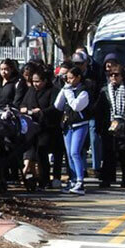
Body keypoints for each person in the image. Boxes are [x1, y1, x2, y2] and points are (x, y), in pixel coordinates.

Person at [99, 67, 125, 188]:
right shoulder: (105, 90)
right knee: (108, 153)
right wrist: (100, 126)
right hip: (109, 125)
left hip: (124, 125)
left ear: (122, 76)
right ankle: (107, 178)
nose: (113, 77)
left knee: (124, 154)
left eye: (116, 75)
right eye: (111, 75)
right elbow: (100, 110)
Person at [19, 66, 58, 190]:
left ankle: (45, 180)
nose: (35, 84)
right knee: (33, 153)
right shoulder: (31, 91)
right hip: (32, 126)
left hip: (46, 126)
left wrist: (41, 111)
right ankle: (36, 177)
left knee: (42, 153)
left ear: (45, 81)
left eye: (38, 81)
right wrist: (24, 109)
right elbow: (23, 103)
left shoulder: (52, 91)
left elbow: (54, 107)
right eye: (33, 81)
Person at [54, 66, 92, 195]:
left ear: (78, 78)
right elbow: (57, 105)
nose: (69, 81)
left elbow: (76, 106)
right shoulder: (67, 89)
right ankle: (73, 179)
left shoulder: (84, 91)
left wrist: (69, 93)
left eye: (71, 78)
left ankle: (80, 181)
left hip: (80, 124)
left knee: (75, 152)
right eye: (67, 78)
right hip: (67, 125)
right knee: (69, 154)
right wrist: (63, 91)